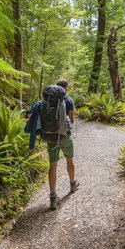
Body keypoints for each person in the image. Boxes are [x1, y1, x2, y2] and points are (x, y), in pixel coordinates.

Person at [46, 78, 78, 210]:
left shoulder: (48, 100)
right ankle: (72, 184)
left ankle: (53, 198)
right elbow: (71, 120)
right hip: (64, 136)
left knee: (53, 165)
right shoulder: (69, 100)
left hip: (50, 137)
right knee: (69, 160)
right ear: (66, 88)